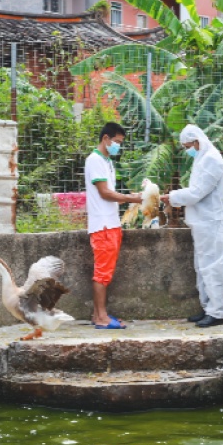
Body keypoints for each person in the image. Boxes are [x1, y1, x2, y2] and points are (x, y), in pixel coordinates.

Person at [161, 124, 223, 328]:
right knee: (202, 268)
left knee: (213, 268)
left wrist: (171, 197)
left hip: (213, 222)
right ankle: (208, 308)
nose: (187, 150)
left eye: (188, 146)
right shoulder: (203, 159)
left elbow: (196, 192)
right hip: (204, 222)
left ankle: (217, 312)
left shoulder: (212, 160)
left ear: (197, 141)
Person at [85, 122, 142, 329]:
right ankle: (101, 317)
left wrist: (132, 197)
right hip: (103, 225)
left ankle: (98, 314)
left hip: (110, 223)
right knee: (102, 273)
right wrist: (133, 199)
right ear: (105, 139)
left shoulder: (106, 161)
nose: (118, 146)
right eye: (116, 142)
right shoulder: (95, 161)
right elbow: (105, 193)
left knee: (106, 271)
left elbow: (112, 196)